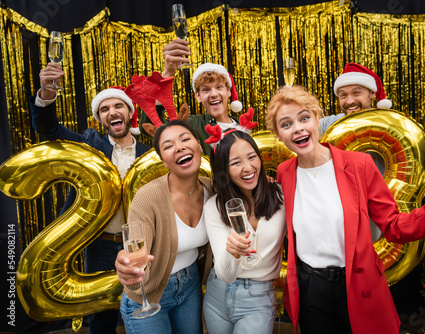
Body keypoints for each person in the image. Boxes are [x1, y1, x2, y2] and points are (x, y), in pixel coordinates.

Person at [265, 85, 425, 334]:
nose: (298, 127)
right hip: (311, 290)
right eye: (286, 124)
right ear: (278, 135)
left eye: (304, 118)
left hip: (357, 283)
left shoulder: (359, 165)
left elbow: (395, 227)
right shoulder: (284, 173)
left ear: (316, 120)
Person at [28, 62, 150, 334]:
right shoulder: (89, 146)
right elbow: (48, 130)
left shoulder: (149, 153)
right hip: (100, 247)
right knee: (101, 318)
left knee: (144, 312)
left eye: (118, 106)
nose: (112, 112)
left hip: (141, 245)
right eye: (104, 109)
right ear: (100, 120)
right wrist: (46, 94)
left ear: (130, 113)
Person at [114, 120, 213, 333]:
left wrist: (266, 182)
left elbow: (246, 194)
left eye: (185, 139)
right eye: (168, 146)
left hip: (190, 287)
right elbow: (135, 250)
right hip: (148, 296)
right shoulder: (147, 197)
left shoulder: (212, 189)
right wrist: (128, 269)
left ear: (198, 145)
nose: (179, 147)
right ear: (163, 161)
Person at [202, 126, 286, 333]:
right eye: (236, 163)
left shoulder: (282, 196)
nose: (248, 167)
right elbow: (226, 275)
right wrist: (233, 252)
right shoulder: (214, 206)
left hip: (259, 298)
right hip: (217, 295)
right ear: (224, 170)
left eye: (252, 157)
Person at [139, 39, 242, 155]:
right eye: (206, 90)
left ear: (228, 91)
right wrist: (168, 72)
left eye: (219, 87)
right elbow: (151, 126)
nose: (213, 94)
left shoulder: (244, 128)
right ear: (198, 96)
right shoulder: (190, 125)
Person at [318, 62, 393, 136]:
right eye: (343, 95)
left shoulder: (389, 126)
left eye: (356, 93)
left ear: (372, 93)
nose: (350, 102)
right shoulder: (327, 125)